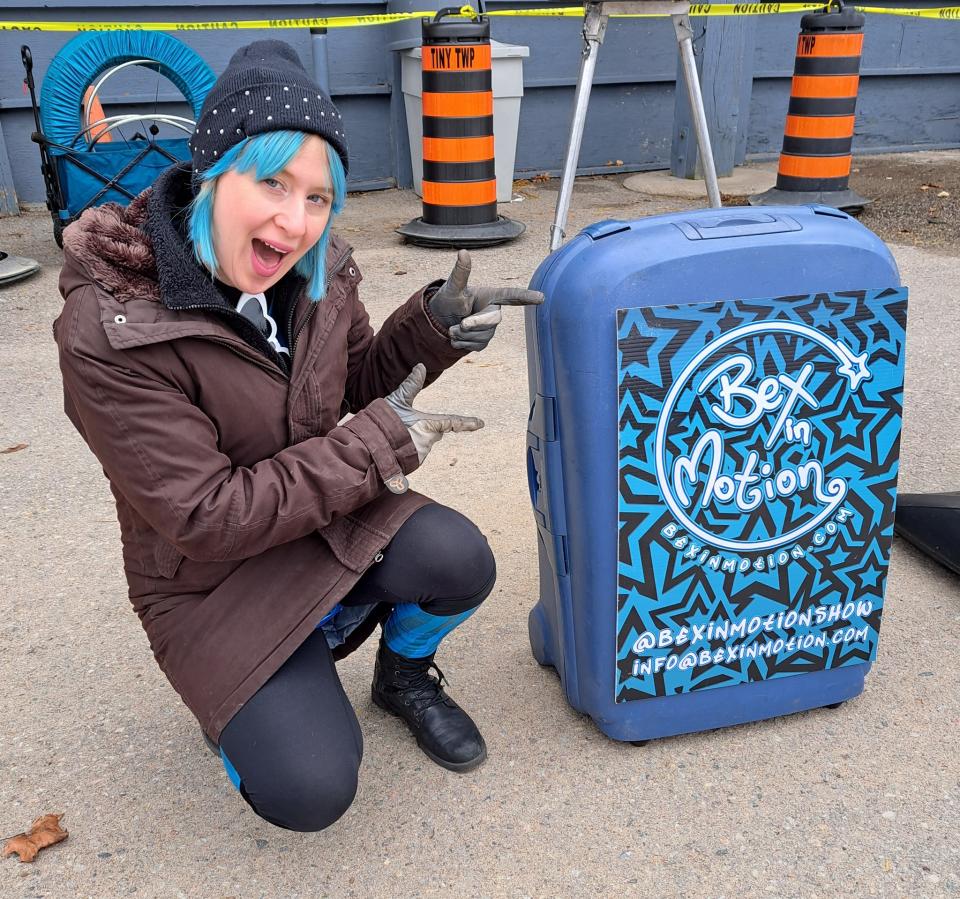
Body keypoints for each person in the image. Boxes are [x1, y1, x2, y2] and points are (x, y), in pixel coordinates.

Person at [53, 40, 542, 832]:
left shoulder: (315, 268)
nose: (296, 220)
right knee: (309, 788)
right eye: (272, 182)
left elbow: (352, 382)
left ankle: (402, 676)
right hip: (208, 579)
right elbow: (206, 516)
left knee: (461, 559)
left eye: (319, 197)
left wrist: (432, 329)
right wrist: (378, 444)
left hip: (318, 516)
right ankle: (253, 691)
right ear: (212, 171)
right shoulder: (109, 326)